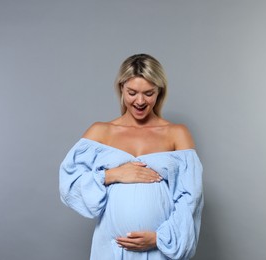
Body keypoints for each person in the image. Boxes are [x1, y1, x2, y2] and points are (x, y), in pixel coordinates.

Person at [59, 54, 203, 260]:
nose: (140, 101)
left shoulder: (176, 134)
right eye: (132, 92)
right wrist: (112, 174)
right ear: (121, 89)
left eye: (149, 93)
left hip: (160, 251)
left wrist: (160, 239)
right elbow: (69, 185)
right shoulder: (101, 132)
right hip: (110, 250)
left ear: (160, 92)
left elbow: (190, 199)